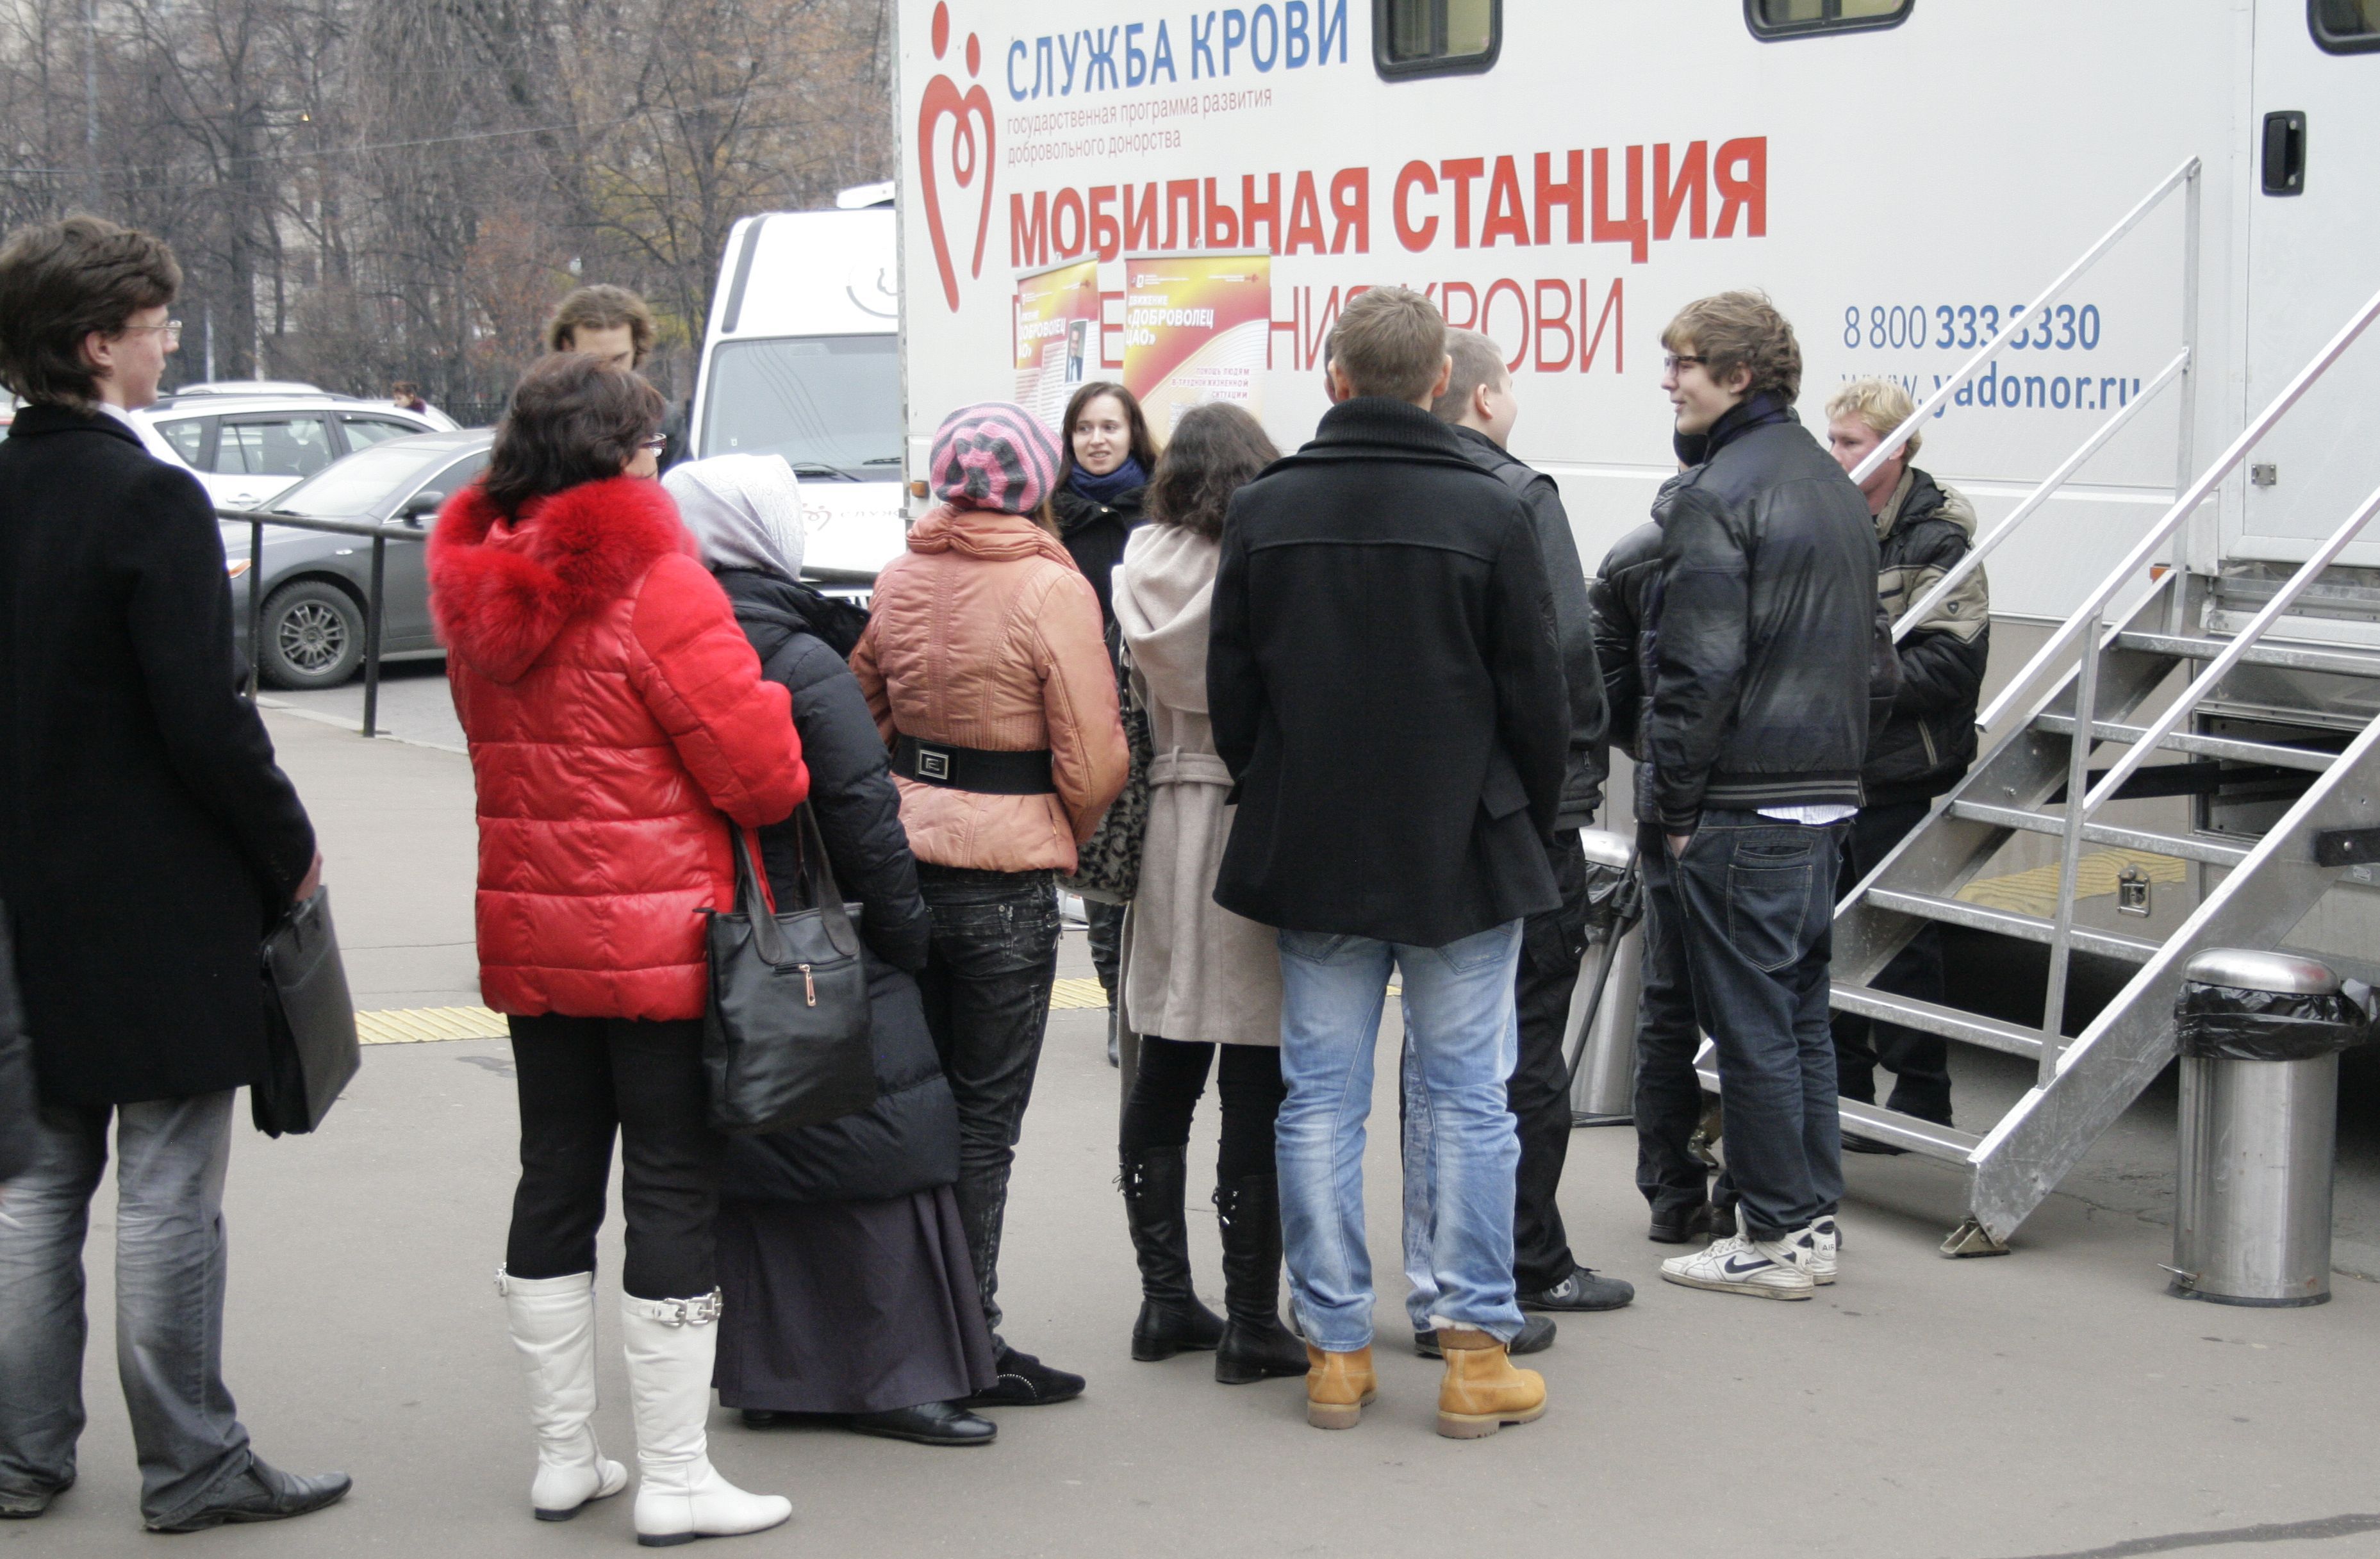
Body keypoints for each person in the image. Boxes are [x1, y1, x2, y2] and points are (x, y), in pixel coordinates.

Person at [0, 215, 349, 1533]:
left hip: (20, 892)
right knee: (164, 1185)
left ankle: (24, 1454)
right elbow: (207, 720)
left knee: (33, 1182)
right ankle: (192, 1460)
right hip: (153, 898)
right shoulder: (149, 498)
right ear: (96, 346)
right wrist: (288, 846)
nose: (170, 344)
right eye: (155, 327)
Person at [429, 354, 804, 1545]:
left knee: (553, 1175)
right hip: (659, 943)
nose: (661, 461)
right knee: (670, 1183)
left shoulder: (471, 590)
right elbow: (759, 775)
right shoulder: (659, 584)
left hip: (530, 935)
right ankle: (677, 1474)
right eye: (649, 445)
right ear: (621, 457)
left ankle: (561, 1458)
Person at [1209, 286, 1566, 1439]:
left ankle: (1335, 1353)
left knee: (1317, 1097)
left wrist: (1285, 784)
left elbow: (1235, 698)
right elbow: (1537, 699)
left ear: (1334, 379)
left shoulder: (1264, 508)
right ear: (1435, 385)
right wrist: (1512, 803)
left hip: (1313, 838)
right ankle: (1470, 1352)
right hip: (1460, 840)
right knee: (1467, 1095)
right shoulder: (1490, 506)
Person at [663, 454, 999, 1448]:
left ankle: (774, 1372)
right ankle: (892, 1374)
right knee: (880, 1141)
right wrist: (906, 937)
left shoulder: (671, 636)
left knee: (763, 1153)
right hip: (817, 933)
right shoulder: (798, 655)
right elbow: (862, 812)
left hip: (709, 934)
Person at [850, 401, 1128, 1408]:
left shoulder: (901, 573)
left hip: (904, 860)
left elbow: (863, 710)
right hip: (1003, 878)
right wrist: (1061, 829)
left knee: (912, 1108)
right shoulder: (1049, 587)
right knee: (984, 1119)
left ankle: (912, 1327)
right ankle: (971, 1336)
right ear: (1035, 482)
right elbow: (1095, 755)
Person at [1637, 292, 1888, 1301]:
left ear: (1740, 376)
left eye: (1684, 363)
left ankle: (1774, 1235)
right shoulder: (1831, 483)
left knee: (1748, 1024)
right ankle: (1811, 1221)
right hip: (1823, 792)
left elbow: (1695, 671)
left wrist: (1676, 807)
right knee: (1797, 1019)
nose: (1670, 379)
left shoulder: (1713, 492)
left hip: (1744, 796)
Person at [1415, 328, 1632, 1351]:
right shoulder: (1514, 493)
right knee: (1520, 1043)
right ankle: (1526, 1260)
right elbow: (1563, 658)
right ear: (1484, 397)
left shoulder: (1383, 482)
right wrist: (1567, 789)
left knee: (1425, 1058)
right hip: (1518, 816)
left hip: (1410, 815)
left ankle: (1437, 1275)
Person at [1109, 402, 1306, 1386]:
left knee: (1165, 1061)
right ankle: (1249, 1319)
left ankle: (1160, 1299)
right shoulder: (1267, 558)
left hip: (1164, 824)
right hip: (1249, 812)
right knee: (1254, 1075)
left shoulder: (1136, 564)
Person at [1825, 378, 1987, 1142]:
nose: (1838, 456)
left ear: (1896, 448)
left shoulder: (1939, 534)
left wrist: (1852, 684)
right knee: (1827, 931)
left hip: (1901, 765)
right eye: (1834, 440)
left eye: (1852, 443)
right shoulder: (1830, 515)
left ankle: (1922, 1095)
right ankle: (1849, 1090)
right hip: (1835, 762)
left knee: (1898, 940)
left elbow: (1953, 667)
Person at [1592, 509, 1731, 1245]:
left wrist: (1653, 749)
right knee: (1756, 1007)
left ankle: (1673, 1195)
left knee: (1669, 1001)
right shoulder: (1785, 539)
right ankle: (1745, 1195)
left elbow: (1604, 681)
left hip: (1665, 800)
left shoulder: (1638, 553)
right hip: (1752, 805)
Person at [1050, 380, 1157, 1068]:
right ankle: (1114, 1004)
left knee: (1147, 866)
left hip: (1147, 715)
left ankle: (1144, 1002)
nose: (1096, 440)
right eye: (1084, 429)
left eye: (1109, 427)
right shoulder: (1052, 519)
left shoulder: (1159, 514)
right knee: (1097, 871)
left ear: (1132, 434)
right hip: (1079, 712)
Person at [545, 284, 689, 469]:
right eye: (595, 361)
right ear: (567, 348)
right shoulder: (539, 420)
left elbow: (678, 492)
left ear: (636, 347)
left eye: (618, 359)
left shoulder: (663, 421)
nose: (609, 372)